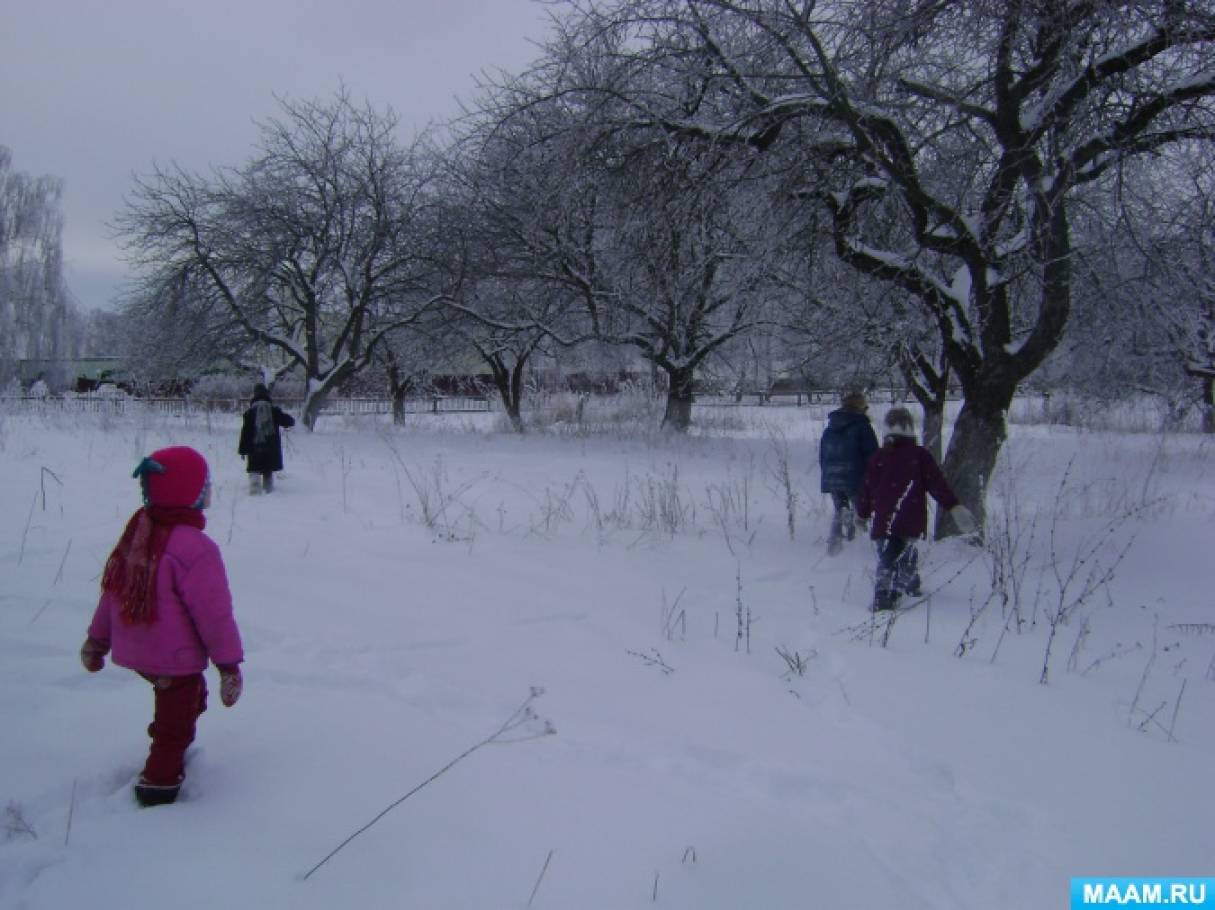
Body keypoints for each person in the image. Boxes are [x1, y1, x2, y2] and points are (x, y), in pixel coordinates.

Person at [79, 446, 244, 806]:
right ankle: (158, 785)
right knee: (174, 724)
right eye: (205, 486)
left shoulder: (138, 535)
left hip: (137, 652)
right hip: (173, 658)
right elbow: (214, 615)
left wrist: (96, 641)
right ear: (189, 493)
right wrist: (228, 665)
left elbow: (112, 596)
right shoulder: (195, 549)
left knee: (185, 698)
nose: (210, 491)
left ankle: (174, 726)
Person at [857, 407, 977, 612]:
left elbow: (867, 488)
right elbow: (937, 485)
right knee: (903, 553)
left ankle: (908, 587)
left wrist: (862, 513)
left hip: (883, 519)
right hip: (910, 516)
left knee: (890, 554)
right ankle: (885, 596)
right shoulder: (920, 455)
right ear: (910, 429)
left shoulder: (878, 457)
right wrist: (953, 506)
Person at [819, 389, 879, 555]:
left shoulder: (830, 428)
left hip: (832, 477)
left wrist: (828, 474)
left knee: (840, 511)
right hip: (855, 477)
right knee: (860, 513)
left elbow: (823, 455)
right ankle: (857, 548)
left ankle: (834, 548)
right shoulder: (862, 427)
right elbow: (873, 454)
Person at [238, 383, 295, 494]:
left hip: (254, 447)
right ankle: (268, 489)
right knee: (267, 469)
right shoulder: (274, 411)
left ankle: (255, 488)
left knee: (254, 468)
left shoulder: (250, 413)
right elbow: (289, 421)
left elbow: (245, 432)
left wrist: (243, 450)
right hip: (270, 447)